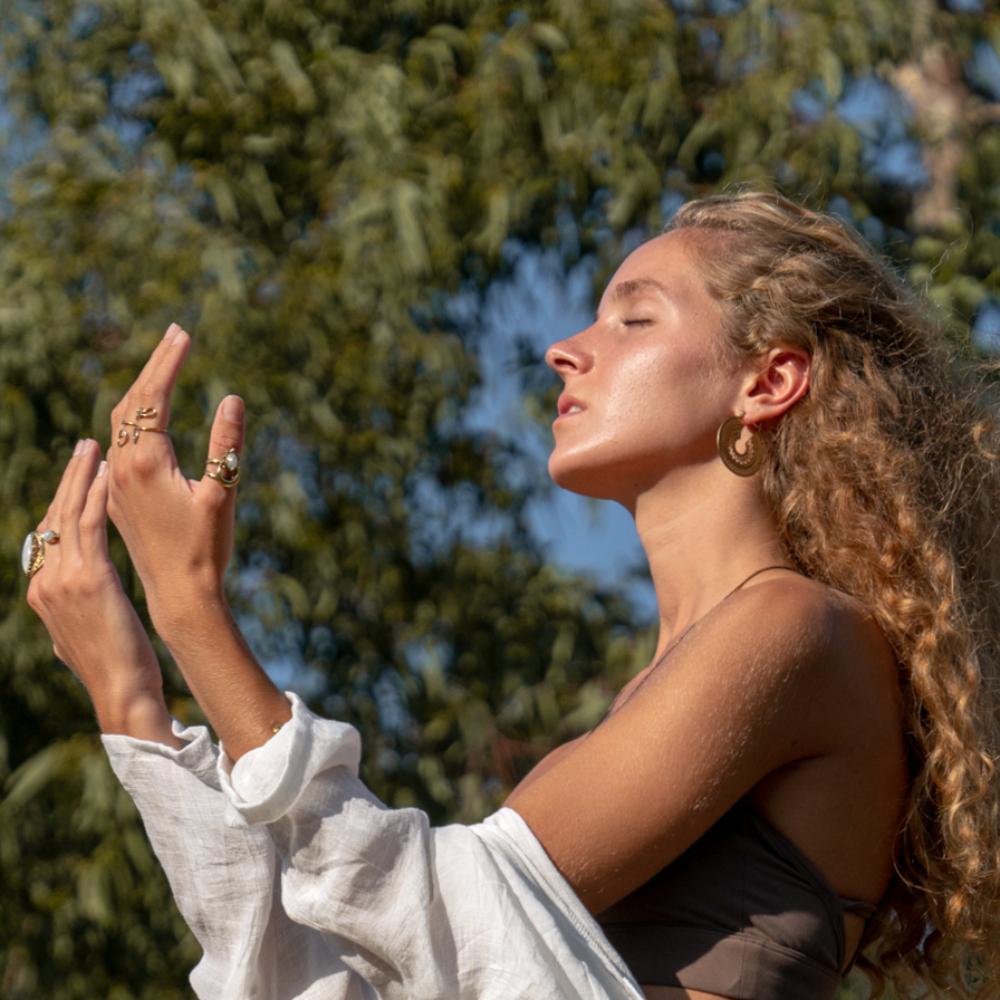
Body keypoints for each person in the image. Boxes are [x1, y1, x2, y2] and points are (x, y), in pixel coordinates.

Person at [23, 190, 1000, 1000]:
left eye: (633, 317)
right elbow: (346, 973)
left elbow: (439, 913)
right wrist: (132, 699)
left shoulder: (796, 629)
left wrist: (191, 608)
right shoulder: (677, 676)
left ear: (768, 379)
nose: (564, 350)